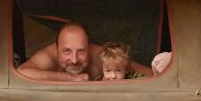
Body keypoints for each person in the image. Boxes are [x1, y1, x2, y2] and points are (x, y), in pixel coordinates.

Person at [18, 23, 155, 82]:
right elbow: (23, 72)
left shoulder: (100, 55)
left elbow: (152, 76)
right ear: (56, 48)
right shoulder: (49, 56)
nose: (74, 60)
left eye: (81, 51)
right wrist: (72, 79)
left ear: (89, 48)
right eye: (67, 51)